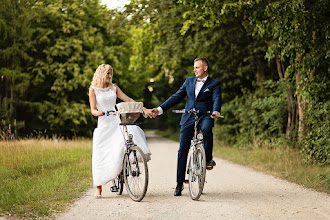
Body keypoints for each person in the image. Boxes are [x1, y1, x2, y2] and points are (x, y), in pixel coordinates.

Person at [151, 57, 221, 196]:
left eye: (197, 67)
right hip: (188, 115)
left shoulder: (214, 84)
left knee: (207, 129)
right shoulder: (189, 81)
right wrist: (160, 109)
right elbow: (176, 96)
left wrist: (216, 110)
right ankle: (179, 184)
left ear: (205, 68)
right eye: (194, 67)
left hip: (205, 114)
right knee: (182, 150)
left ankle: (207, 159)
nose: (194, 70)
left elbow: (216, 98)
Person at [89, 64, 153, 198]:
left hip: (116, 120)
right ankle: (99, 188)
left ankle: (130, 159)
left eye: (111, 73)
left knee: (132, 130)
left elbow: (129, 100)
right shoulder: (93, 90)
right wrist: (98, 112)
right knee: (100, 154)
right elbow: (93, 109)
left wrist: (144, 109)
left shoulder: (114, 88)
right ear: (101, 74)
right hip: (104, 123)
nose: (110, 76)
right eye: (108, 74)